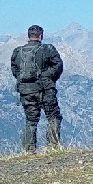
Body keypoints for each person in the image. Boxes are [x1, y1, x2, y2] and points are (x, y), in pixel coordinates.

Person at [10, 25, 64, 153]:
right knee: (53, 116)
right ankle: (53, 146)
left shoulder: (18, 52)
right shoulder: (47, 49)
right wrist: (48, 78)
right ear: (41, 36)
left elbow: (15, 70)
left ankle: (29, 149)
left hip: (26, 91)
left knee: (31, 120)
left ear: (29, 36)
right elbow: (58, 65)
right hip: (45, 89)